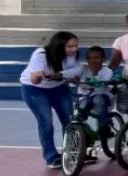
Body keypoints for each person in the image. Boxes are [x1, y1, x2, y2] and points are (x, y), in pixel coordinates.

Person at [20, 31, 82, 168]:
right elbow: (34, 80)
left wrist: (60, 74)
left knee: (69, 119)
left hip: (58, 87)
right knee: (46, 121)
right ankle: (51, 156)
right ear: (59, 46)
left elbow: (77, 69)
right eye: (70, 47)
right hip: (34, 89)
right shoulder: (41, 54)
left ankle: (73, 151)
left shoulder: (73, 56)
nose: (74, 50)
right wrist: (38, 75)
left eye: (76, 46)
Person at [76, 45, 115, 149]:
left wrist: (94, 72)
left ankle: (104, 127)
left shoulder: (107, 71)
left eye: (96, 58)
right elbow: (73, 79)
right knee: (80, 109)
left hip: (102, 97)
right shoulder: (82, 70)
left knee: (97, 98)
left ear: (103, 59)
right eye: (90, 58)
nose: (92, 61)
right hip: (84, 97)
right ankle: (82, 134)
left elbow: (99, 85)